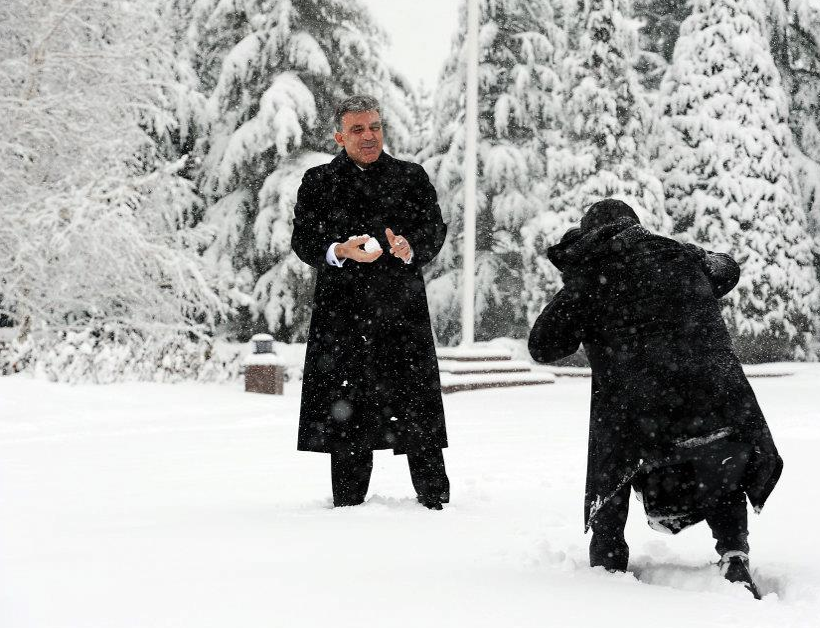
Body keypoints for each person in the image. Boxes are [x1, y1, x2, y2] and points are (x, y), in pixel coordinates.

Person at [528, 199, 783, 599]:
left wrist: (577, 281)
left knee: (614, 459)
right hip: (717, 397)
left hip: (639, 409)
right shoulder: (681, 257)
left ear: (588, 236)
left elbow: (542, 346)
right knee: (722, 457)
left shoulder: (593, 276)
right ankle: (734, 552)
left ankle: (608, 561)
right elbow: (727, 269)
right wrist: (692, 256)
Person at [291, 94, 450, 510]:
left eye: (375, 127)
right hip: (343, 315)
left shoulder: (411, 177)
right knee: (347, 411)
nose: (368, 136)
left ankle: (435, 501)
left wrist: (410, 246)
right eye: (358, 129)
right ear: (339, 136)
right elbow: (303, 240)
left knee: (416, 408)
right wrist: (338, 250)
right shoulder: (319, 182)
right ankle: (348, 504)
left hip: (402, 312)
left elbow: (433, 229)